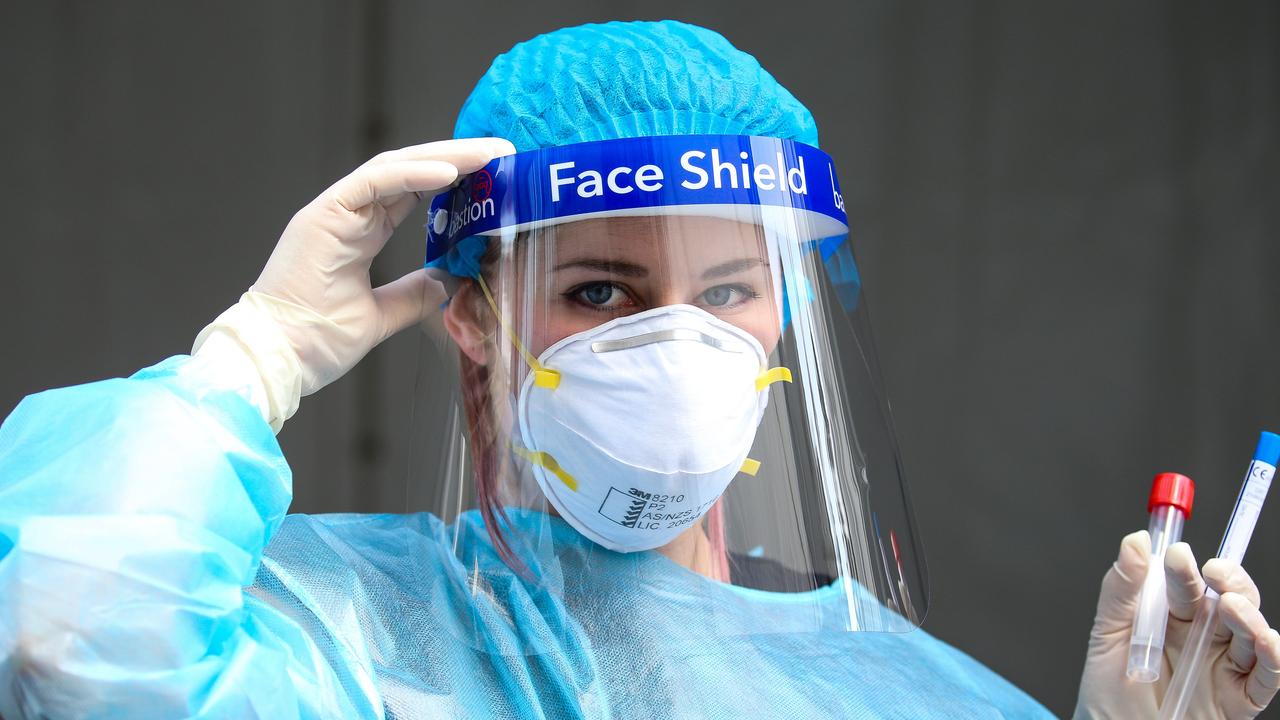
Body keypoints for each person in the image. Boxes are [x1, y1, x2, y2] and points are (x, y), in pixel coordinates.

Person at [0, 20, 1276, 720]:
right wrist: (256, 357)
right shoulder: (349, 645)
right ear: (472, 316)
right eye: (600, 292)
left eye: (726, 292)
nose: (679, 348)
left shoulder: (898, 691)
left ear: (783, 318)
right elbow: (69, 642)